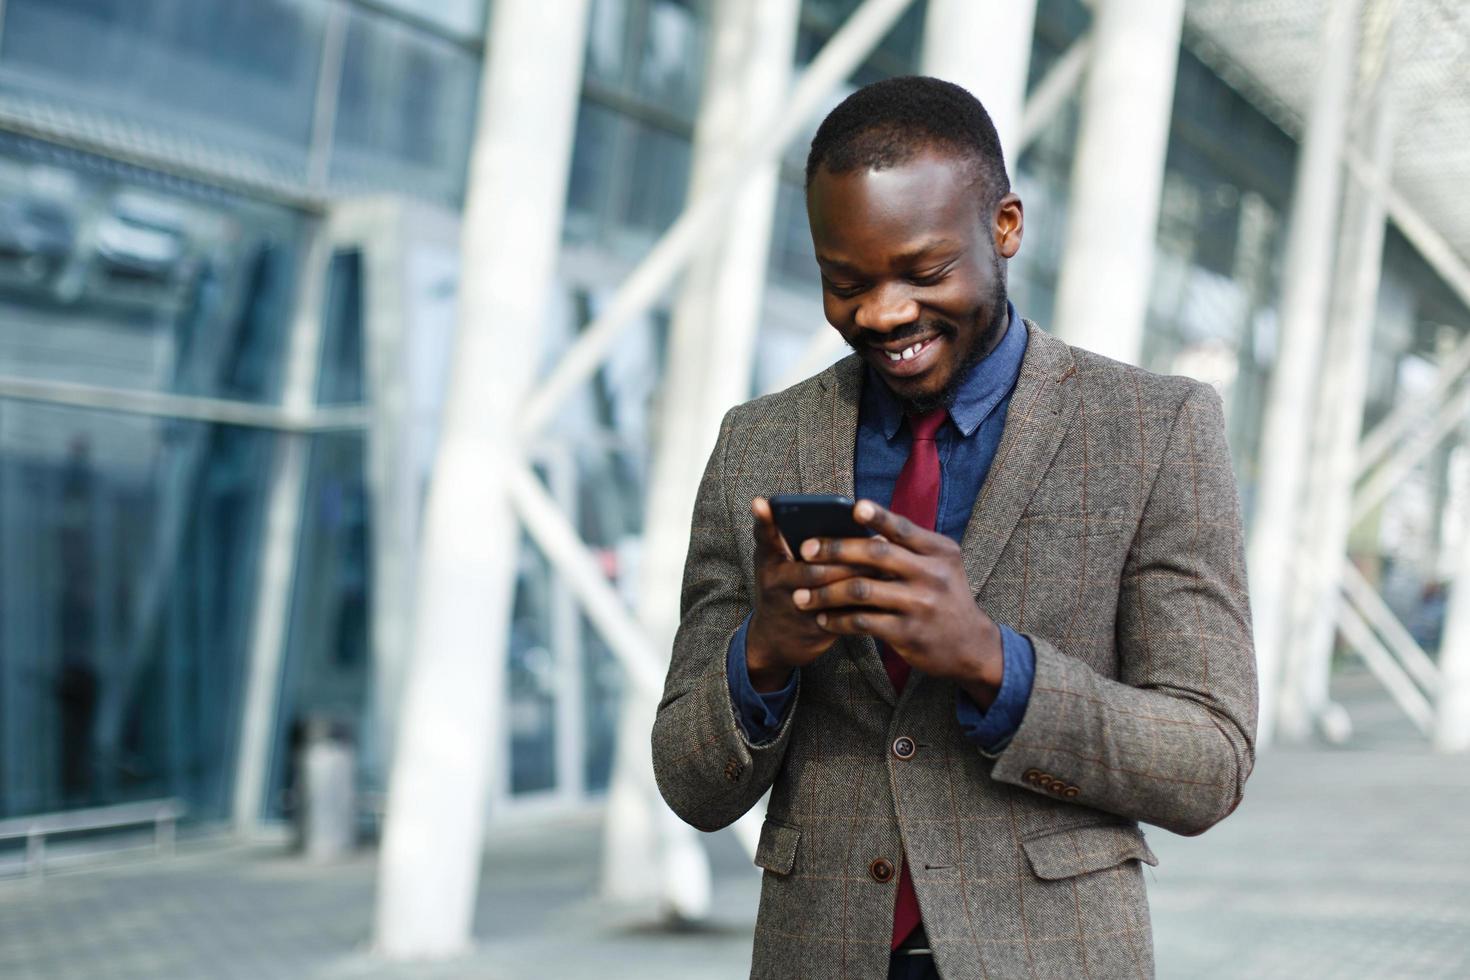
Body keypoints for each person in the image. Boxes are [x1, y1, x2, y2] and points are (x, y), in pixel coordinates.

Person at [651, 76, 1257, 980]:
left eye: (925, 272)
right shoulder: (759, 443)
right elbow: (691, 783)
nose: (885, 313)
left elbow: (1208, 762)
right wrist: (763, 656)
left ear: (1005, 227)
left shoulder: (1154, 429)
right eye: (844, 282)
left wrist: (992, 663)